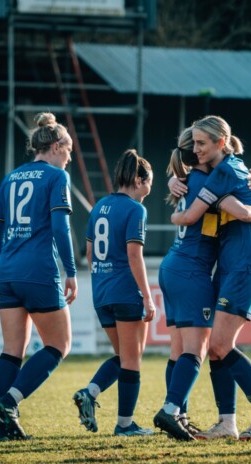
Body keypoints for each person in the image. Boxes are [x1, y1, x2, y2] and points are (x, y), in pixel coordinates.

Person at [153, 127, 251, 441]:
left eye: (203, 143)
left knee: (185, 350)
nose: (199, 149)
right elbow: (228, 212)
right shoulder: (208, 180)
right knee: (203, 349)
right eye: (196, 145)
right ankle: (173, 411)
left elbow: (239, 203)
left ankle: (188, 416)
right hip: (193, 270)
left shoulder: (195, 179)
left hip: (175, 266)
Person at [0, 112, 78, 441]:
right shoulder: (56, 177)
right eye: (68, 150)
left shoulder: (10, 178)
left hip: (7, 271)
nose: (69, 158)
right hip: (38, 270)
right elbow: (60, 227)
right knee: (59, 344)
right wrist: (71, 271)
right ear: (55, 147)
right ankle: (10, 402)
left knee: (12, 349)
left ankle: (5, 428)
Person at [73, 149, 156, 437]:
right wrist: (147, 296)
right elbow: (134, 256)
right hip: (125, 291)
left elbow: (89, 252)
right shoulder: (136, 210)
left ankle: (90, 392)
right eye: (149, 182)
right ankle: (124, 425)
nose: (149, 188)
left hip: (102, 293)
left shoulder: (99, 207)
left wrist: (103, 278)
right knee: (132, 360)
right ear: (138, 180)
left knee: (122, 356)